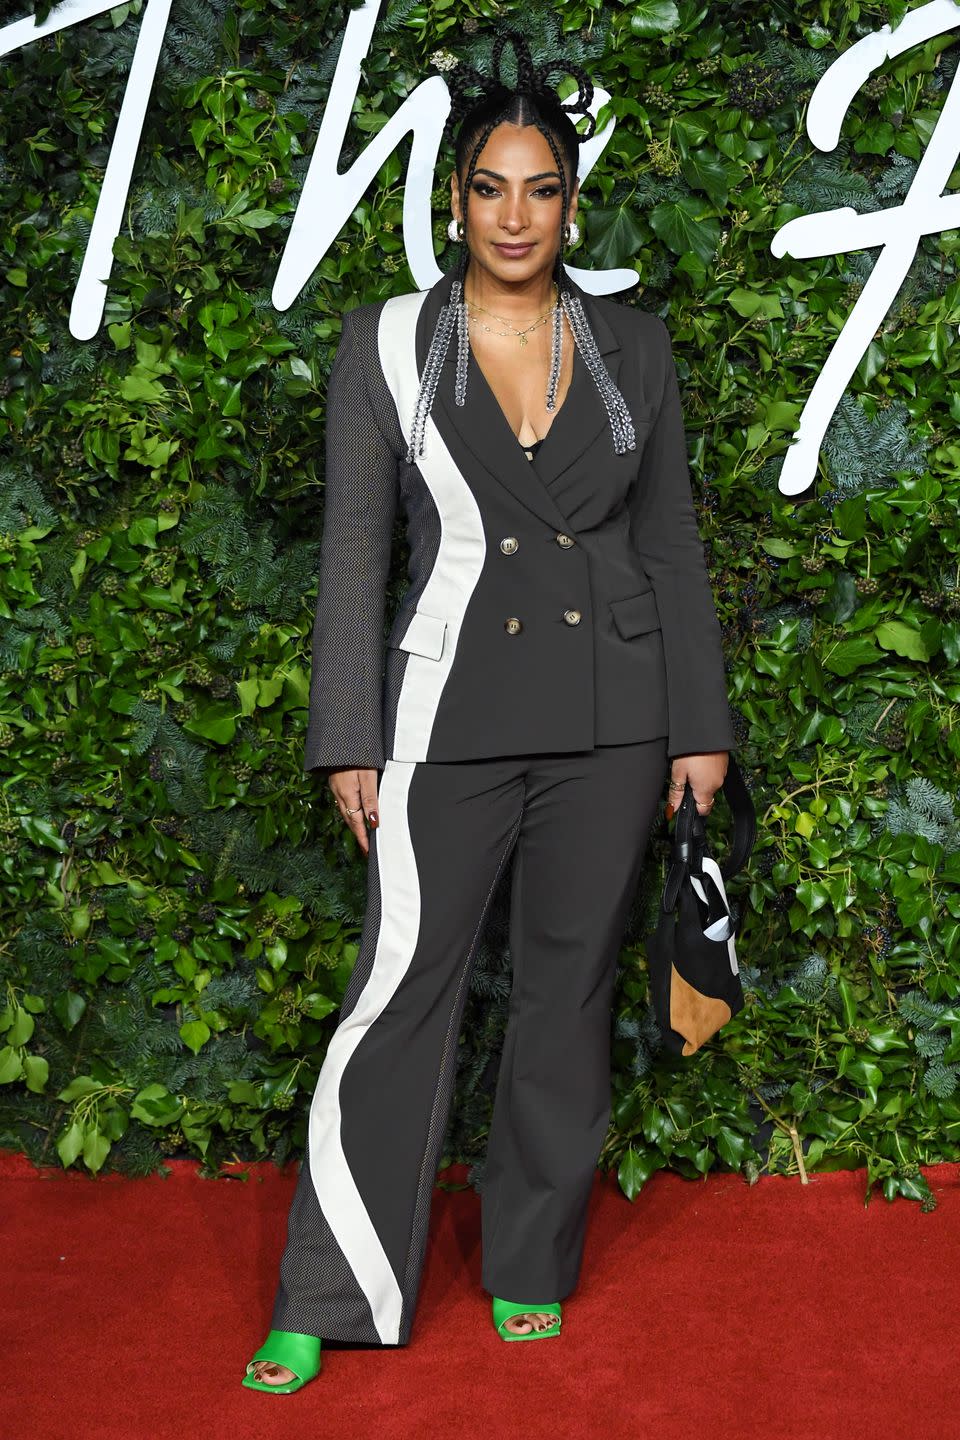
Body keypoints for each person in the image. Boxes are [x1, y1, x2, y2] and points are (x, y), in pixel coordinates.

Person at [242, 29, 734, 1394]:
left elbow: (674, 545)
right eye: (489, 188)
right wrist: (347, 731)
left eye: (542, 190)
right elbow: (356, 549)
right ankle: (330, 1287)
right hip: (442, 711)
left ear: (572, 205)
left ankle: (527, 1262)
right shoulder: (387, 343)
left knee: (566, 1001)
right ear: (455, 199)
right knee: (395, 995)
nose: (515, 216)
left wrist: (702, 726)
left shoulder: (633, 348)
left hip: (615, 721)